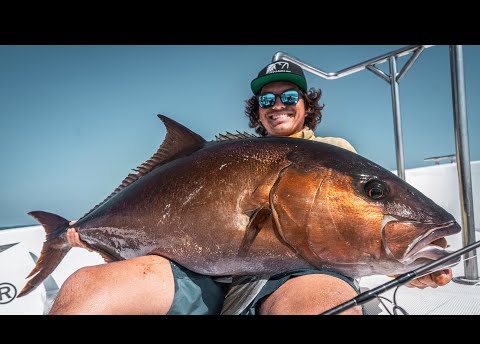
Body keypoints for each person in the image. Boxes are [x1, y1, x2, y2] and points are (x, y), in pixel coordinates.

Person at [49, 60, 452, 315]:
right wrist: (87, 234)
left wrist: (413, 266)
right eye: (267, 100)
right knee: (85, 289)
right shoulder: (225, 157)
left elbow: (351, 235)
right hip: (192, 274)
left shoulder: (334, 154)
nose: (278, 105)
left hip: (299, 275)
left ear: (306, 104)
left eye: (289, 96)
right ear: (256, 111)